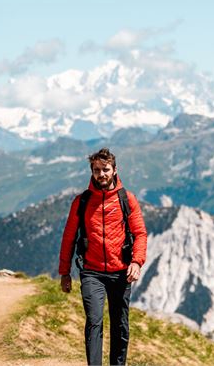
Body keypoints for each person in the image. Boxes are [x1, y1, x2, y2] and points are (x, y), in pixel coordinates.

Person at [58, 147, 147, 366]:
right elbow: (68, 237)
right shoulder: (82, 202)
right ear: (92, 172)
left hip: (120, 272)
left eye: (105, 169)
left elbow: (140, 233)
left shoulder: (127, 200)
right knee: (94, 322)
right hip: (92, 272)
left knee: (120, 325)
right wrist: (64, 272)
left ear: (115, 170)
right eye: (97, 170)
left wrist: (136, 261)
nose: (101, 174)